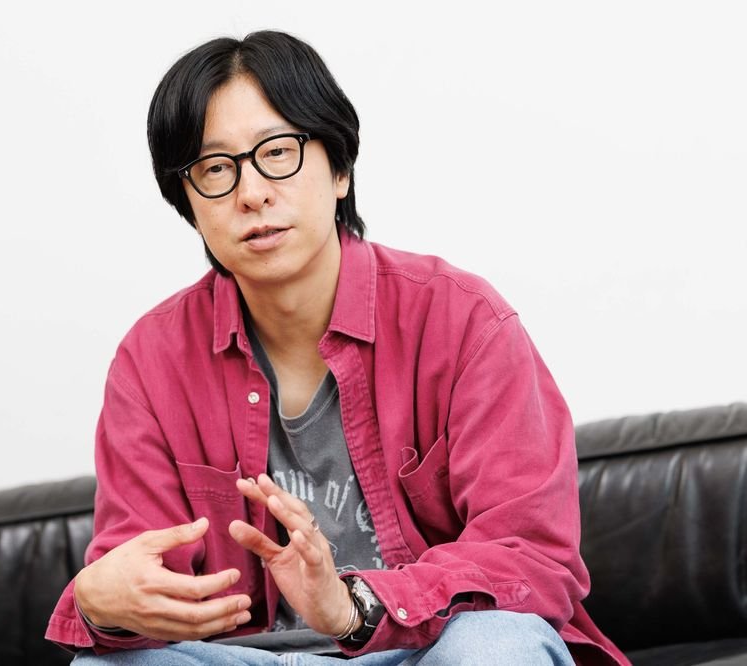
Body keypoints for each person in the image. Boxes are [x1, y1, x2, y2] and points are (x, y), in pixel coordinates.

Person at [45, 30, 629, 665]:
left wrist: (355, 606)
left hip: (423, 649)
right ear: (187, 200)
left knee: (494, 646)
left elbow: (531, 557)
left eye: (278, 152)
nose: (251, 193)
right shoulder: (151, 360)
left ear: (340, 169)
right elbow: (140, 577)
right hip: (247, 658)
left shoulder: (462, 319)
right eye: (215, 168)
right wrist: (97, 604)